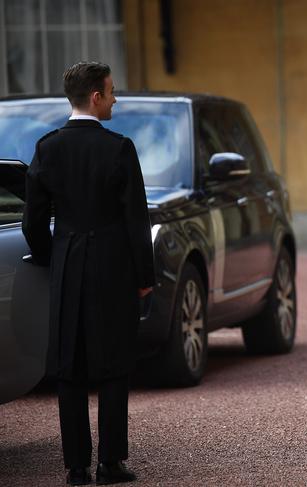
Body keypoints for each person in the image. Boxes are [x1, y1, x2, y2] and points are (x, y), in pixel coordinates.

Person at [22, 62, 154, 485]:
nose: (115, 99)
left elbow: (32, 222)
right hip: (113, 267)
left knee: (70, 368)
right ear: (95, 96)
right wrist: (144, 275)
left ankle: (76, 466)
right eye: (112, 91)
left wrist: (50, 257)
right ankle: (110, 463)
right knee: (114, 367)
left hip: (68, 266)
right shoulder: (119, 148)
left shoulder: (46, 148)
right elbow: (136, 220)